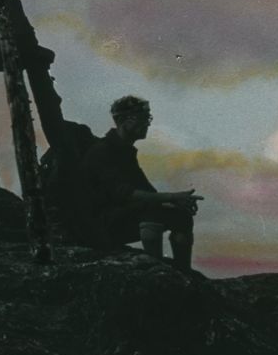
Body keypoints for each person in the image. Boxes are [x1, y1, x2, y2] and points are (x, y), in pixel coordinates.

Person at [80, 95, 202, 270]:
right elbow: (124, 193)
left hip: (117, 219)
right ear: (123, 120)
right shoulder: (103, 151)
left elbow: (146, 191)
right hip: (100, 224)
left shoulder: (124, 152)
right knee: (152, 211)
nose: (148, 123)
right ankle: (156, 269)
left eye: (148, 118)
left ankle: (183, 271)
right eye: (143, 118)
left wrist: (175, 202)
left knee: (181, 216)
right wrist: (172, 197)